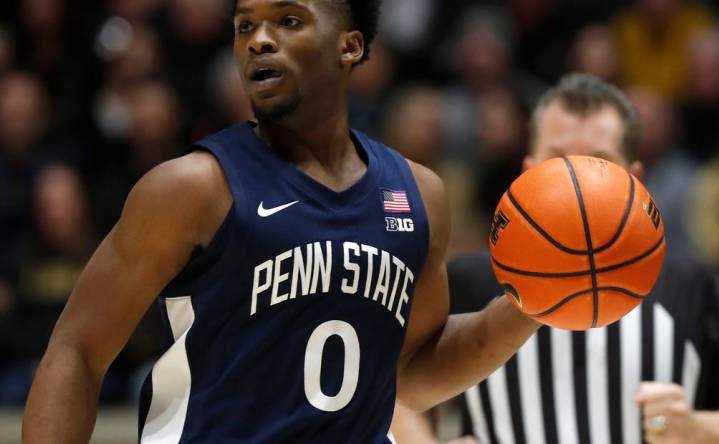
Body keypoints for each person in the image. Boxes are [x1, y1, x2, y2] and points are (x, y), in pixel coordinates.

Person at [22, 1, 544, 442]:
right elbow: (77, 352)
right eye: (245, 26)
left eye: (288, 22)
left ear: (350, 46)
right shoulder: (192, 188)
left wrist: (529, 307)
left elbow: (412, 373)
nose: (259, 41)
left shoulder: (417, 194)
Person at [393, 74, 719, 444]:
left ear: (636, 178)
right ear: (526, 173)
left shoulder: (692, 284)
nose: (577, 187)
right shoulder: (470, 279)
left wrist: (697, 429)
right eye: (557, 164)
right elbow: (399, 389)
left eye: (597, 163)